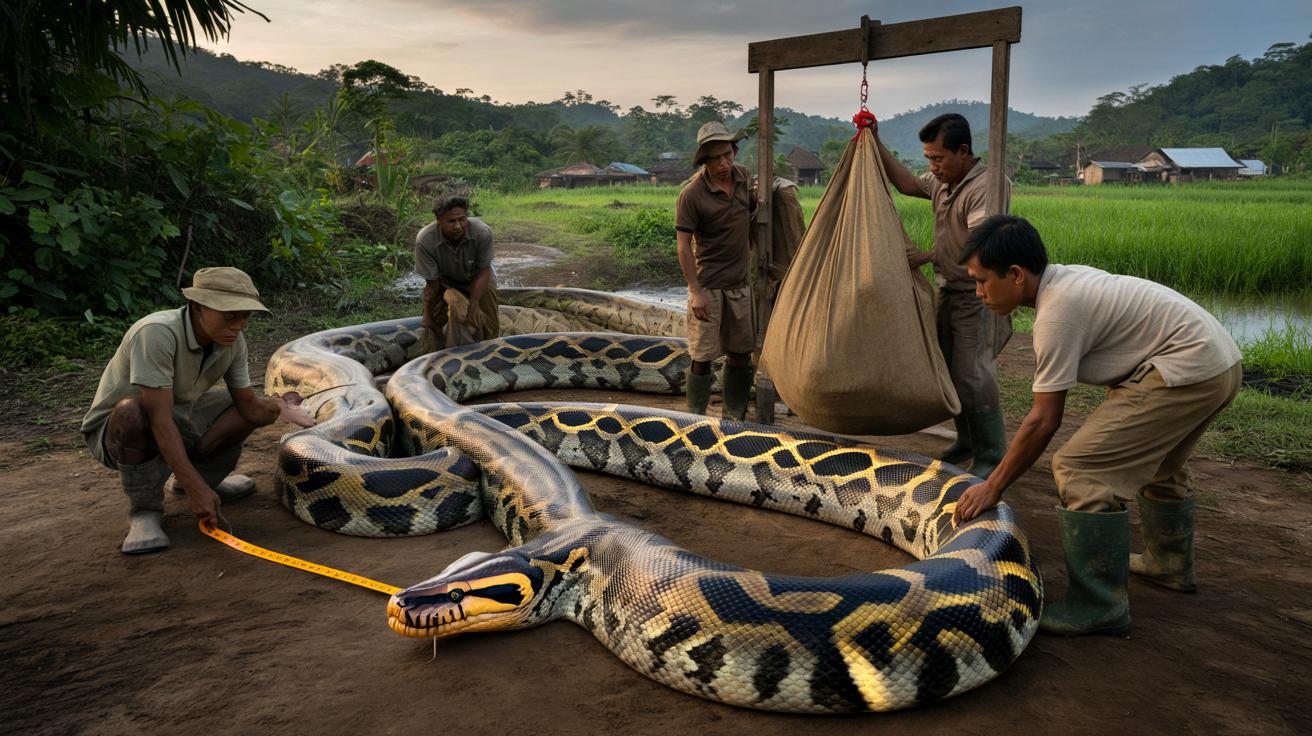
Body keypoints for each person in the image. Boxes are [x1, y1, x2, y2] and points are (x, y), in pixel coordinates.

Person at [951, 215, 1242, 637]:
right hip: (1218, 364)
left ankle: (1098, 603)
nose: (978, 293)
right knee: (1161, 465)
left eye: (982, 281)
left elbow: (1044, 419)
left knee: (1081, 468)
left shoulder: (1056, 314)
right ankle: (1168, 564)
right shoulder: (1064, 285)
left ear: (1015, 275)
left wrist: (993, 485)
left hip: (1185, 367)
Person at [81, 267, 317, 554]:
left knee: (242, 408)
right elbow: (158, 418)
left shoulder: (233, 341)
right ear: (198, 307)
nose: (238, 325)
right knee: (133, 411)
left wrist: (280, 408)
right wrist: (197, 490)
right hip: (117, 432)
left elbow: (248, 407)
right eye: (229, 315)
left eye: (245, 316)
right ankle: (145, 512)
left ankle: (202, 479)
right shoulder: (156, 333)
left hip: (178, 416)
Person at [873, 113, 1012, 478]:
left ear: (963, 151)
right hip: (948, 290)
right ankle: (967, 442)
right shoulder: (943, 182)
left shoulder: (987, 185)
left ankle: (993, 453)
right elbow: (904, 184)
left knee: (972, 374)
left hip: (978, 295)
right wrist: (875, 139)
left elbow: (983, 243)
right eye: (928, 159)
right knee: (951, 370)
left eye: (938, 158)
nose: (932, 167)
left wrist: (928, 255)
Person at [675, 121, 756, 420]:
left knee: (740, 353)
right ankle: (695, 417)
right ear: (704, 161)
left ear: (734, 151)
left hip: (740, 284)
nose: (723, 163)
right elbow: (683, 246)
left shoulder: (744, 177)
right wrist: (695, 291)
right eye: (715, 158)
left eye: (727, 155)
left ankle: (734, 418)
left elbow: (753, 214)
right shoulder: (691, 194)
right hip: (708, 285)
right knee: (702, 355)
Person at [415, 195, 500, 351]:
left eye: (462, 219)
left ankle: (490, 351)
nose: (458, 226)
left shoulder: (482, 232)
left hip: (478, 279)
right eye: (451, 221)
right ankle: (446, 353)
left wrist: (474, 302)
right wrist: (427, 314)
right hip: (445, 282)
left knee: (488, 322)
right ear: (439, 220)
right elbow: (432, 285)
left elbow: (484, 271)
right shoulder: (425, 240)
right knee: (436, 321)